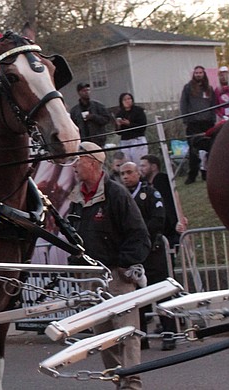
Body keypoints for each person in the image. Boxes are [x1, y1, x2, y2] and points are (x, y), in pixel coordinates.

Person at [68, 142, 150, 390]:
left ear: (92, 162)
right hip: (92, 276)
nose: (73, 165)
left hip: (117, 275)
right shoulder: (76, 198)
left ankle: (132, 384)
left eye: (77, 160)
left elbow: (139, 234)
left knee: (127, 333)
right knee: (103, 337)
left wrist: (125, 265)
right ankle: (118, 382)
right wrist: (76, 262)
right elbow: (73, 235)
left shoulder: (116, 193)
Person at [119, 162, 176, 351]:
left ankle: (169, 334)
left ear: (138, 173)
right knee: (138, 298)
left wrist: (140, 235)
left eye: (129, 172)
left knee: (161, 294)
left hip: (153, 251)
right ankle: (141, 337)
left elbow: (159, 218)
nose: (125, 176)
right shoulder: (120, 197)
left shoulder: (150, 193)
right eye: (122, 174)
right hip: (134, 255)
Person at [139, 154, 188, 247]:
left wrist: (175, 223)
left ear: (153, 167)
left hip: (169, 229)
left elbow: (169, 204)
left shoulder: (161, 180)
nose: (140, 168)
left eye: (143, 165)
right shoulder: (147, 184)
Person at [179, 65, 216, 184]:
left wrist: (212, 119)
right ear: (193, 74)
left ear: (204, 74)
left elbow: (213, 106)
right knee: (193, 152)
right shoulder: (188, 88)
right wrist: (186, 119)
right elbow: (183, 104)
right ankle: (192, 175)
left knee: (209, 150)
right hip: (193, 124)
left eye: (200, 73)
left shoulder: (209, 89)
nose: (198, 74)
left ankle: (207, 173)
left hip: (207, 123)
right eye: (196, 73)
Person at [115, 93, 148, 162]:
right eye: (124, 100)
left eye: (129, 99)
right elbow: (118, 132)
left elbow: (142, 127)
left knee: (138, 162)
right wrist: (118, 125)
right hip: (125, 141)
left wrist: (129, 124)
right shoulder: (120, 113)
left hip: (137, 139)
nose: (127, 101)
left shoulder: (138, 111)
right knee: (127, 163)